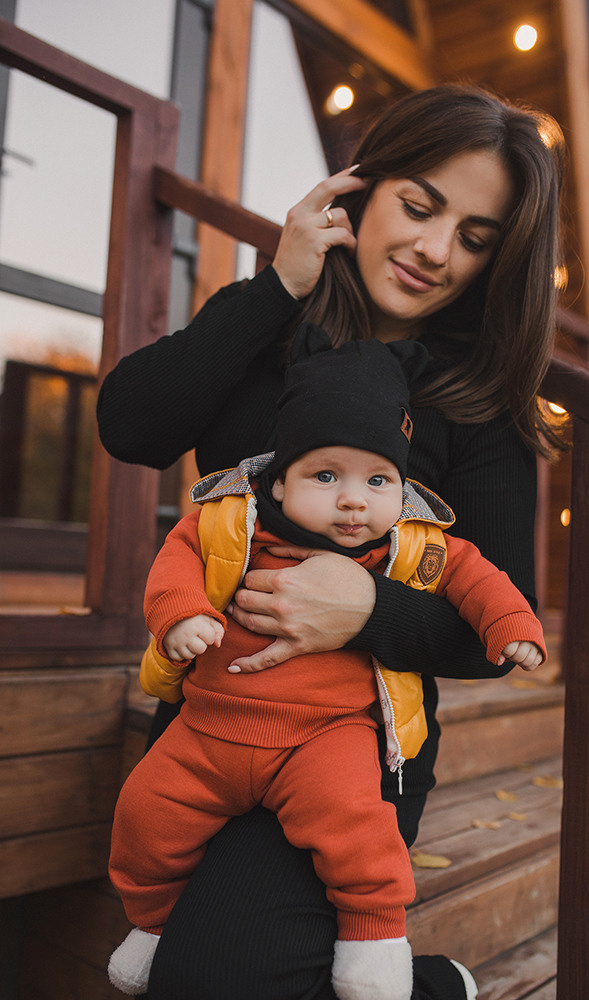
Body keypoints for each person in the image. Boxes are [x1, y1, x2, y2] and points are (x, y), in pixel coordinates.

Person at [97, 83, 565, 1000]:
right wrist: (277, 287)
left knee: (210, 980)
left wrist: (369, 609)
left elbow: (492, 630)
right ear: (362, 188)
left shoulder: (478, 408)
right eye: (418, 206)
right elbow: (131, 427)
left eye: (474, 237)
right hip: (205, 722)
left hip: (351, 756)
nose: (435, 251)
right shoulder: (270, 325)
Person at [107, 327, 546, 999]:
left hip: (326, 737)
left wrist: (510, 626)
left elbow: (478, 577)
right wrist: (183, 616)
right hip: (210, 727)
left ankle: (374, 947)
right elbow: (175, 563)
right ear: (279, 481)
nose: (353, 499)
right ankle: (152, 928)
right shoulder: (231, 521)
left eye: (377, 480)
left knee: (357, 831)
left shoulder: (409, 544)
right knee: (142, 814)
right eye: (325, 475)